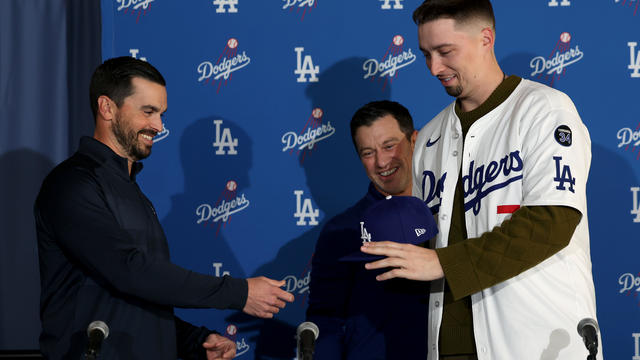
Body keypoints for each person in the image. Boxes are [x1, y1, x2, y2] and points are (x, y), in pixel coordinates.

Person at [360, 1, 601, 359]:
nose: (433, 68)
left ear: (485, 38)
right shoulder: (428, 137)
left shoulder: (543, 110)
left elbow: (553, 221)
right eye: (426, 54)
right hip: (449, 346)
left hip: (538, 342)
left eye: (445, 52)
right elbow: (432, 240)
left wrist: (443, 263)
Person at [34, 56, 294, 360]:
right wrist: (239, 293)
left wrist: (194, 341)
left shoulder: (131, 189)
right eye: (148, 111)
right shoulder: (72, 184)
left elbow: (132, 299)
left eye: (161, 114)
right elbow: (128, 271)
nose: (158, 126)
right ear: (107, 108)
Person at [306, 100, 436, 359]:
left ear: (415, 140)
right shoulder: (342, 231)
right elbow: (326, 321)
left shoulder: (451, 214)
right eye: (368, 153)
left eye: (389, 146)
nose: (381, 162)